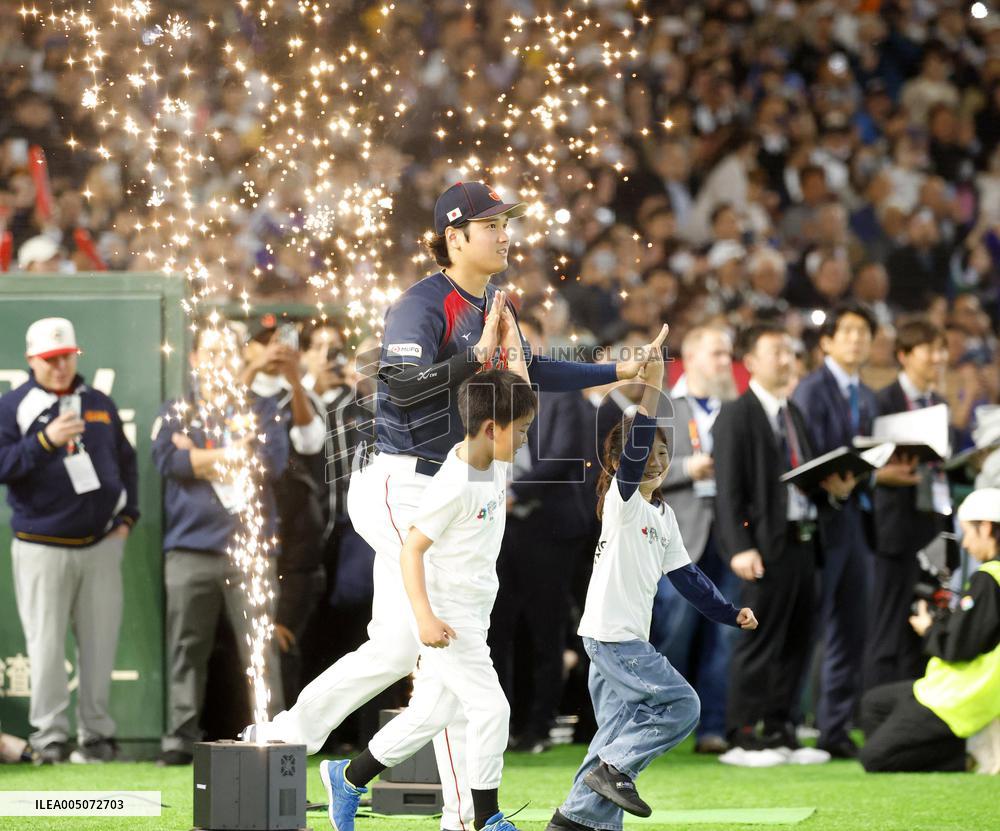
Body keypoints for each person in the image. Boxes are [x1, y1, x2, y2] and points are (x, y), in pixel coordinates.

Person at [242, 181, 666, 831]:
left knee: (396, 649)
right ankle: (469, 814)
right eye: (492, 224)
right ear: (455, 234)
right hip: (402, 481)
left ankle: (287, 740)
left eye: (506, 223)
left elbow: (531, 371)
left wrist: (619, 371)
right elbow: (402, 390)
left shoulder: (495, 302)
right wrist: (474, 355)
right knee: (456, 640)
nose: (504, 234)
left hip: (450, 486)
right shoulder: (422, 303)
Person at [547, 327, 756, 831]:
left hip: (616, 637)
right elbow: (639, 441)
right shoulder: (622, 503)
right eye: (649, 455)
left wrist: (730, 613)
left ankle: (574, 822)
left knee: (613, 732)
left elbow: (688, 578)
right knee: (683, 705)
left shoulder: (662, 515)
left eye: (666, 455)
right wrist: (656, 385)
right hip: (613, 637)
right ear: (619, 464)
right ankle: (616, 771)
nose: (658, 463)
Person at [321, 364, 535, 831]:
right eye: (520, 431)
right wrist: (423, 618)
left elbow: (514, 383)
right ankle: (487, 818)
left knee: (430, 714)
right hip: (450, 618)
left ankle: (347, 777)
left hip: (476, 611)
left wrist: (506, 344)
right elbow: (412, 550)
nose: (524, 440)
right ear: (489, 429)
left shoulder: (493, 459)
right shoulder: (454, 483)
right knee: (492, 709)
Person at [0, 317, 138, 764]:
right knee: (45, 644)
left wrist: (129, 515)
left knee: (100, 645)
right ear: (32, 360)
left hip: (100, 543)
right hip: (41, 543)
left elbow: (126, 459)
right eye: (50, 359)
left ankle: (96, 735)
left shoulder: (97, 402)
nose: (60, 366)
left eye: (67, 357)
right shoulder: (13, 406)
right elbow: (3, 465)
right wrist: (43, 439)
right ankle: (50, 735)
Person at [713, 322, 852, 766]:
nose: (787, 358)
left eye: (790, 351)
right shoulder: (737, 413)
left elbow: (803, 476)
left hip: (803, 540)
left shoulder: (794, 414)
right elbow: (728, 487)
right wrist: (739, 545)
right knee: (758, 638)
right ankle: (743, 734)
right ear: (750, 361)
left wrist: (836, 489)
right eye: (776, 350)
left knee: (797, 636)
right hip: (763, 544)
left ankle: (781, 729)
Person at [153, 324, 289, 765]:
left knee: (259, 651)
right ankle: (179, 736)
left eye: (227, 352)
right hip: (190, 549)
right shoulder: (178, 410)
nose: (218, 361)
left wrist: (200, 458)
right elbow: (168, 461)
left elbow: (271, 462)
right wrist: (231, 456)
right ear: (193, 359)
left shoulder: (261, 408)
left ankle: (272, 735)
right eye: (209, 353)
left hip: (249, 551)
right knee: (185, 647)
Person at [791, 301, 913, 757]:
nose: (858, 340)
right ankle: (789, 723)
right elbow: (805, 458)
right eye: (849, 332)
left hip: (858, 518)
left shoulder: (862, 391)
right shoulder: (812, 389)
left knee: (852, 628)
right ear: (827, 341)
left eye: (865, 332)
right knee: (814, 625)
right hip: (821, 520)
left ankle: (835, 729)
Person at [488, 312, 590, 753]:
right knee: (497, 631)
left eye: (520, 338)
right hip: (496, 528)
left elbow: (565, 455)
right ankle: (501, 725)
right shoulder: (485, 388)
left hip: (547, 528)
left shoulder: (559, 390)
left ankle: (540, 726)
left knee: (547, 630)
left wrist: (511, 490)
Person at [859, 487, 1000, 773]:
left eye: (968, 534)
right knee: (874, 704)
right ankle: (937, 749)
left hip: (958, 697)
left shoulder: (989, 579)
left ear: (986, 527)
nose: (965, 545)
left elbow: (958, 647)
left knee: (874, 758)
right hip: (944, 688)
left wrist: (928, 629)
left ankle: (968, 755)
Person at [650, 325, 739, 754]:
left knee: (724, 637)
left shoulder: (736, 409)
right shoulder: (664, 406)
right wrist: (689, 469)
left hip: (728, 540)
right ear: (692, 357)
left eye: (728, 354)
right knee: (672, 633)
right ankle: (660, 727)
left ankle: (713, 729)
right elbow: (641, 470)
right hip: (678, 539)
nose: (726, 362)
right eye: (718, 353)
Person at [868, 318, 950, 689]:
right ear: (904, 355)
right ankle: (874, 708)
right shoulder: (882, 402)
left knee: (925, 613)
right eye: (930, 349)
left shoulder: (940, 404)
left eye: (941, 349)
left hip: (932, 526)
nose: (939, 357)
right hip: (892, 529)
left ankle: (915, 700)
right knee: (887, 622)